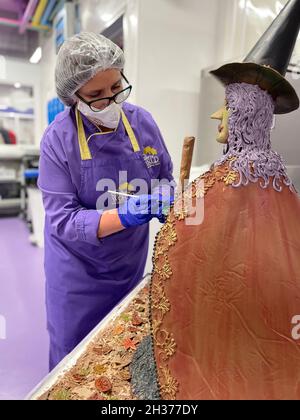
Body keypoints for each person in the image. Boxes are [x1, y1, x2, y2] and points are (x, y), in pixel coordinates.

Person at [132, 0, 300, 400]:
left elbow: (189, 248)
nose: (216, 116)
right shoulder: (277, 176)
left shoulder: (229, 177)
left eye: (227, 106)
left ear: (245, 112)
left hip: (226, 325)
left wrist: (179, 213)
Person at [38, 32, 174, 370]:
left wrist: (165, 194)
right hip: (77, 275)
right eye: (96, 96)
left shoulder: (142, 123)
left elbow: (166, 176)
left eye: (116, 88)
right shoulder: (58, 141)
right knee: (75, 361)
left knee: (120, 350)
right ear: (74, 96)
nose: (111, 102)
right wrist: (125, 215)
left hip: (127, 264)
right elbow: (63, 220)